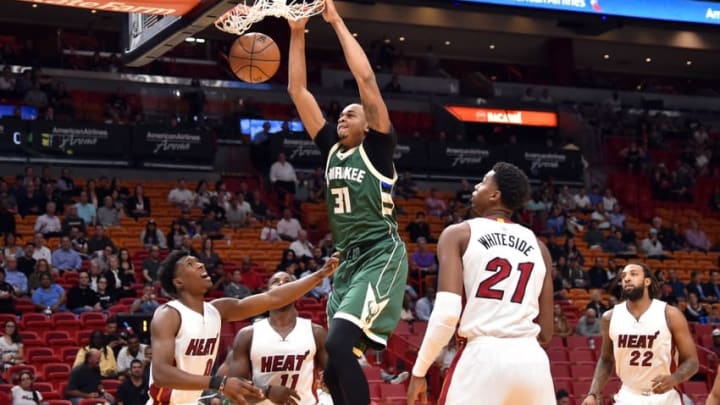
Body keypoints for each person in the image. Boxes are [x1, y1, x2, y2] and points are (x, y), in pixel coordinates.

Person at [287, 3, 409, 404]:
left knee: (338, 347)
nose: (343, 116)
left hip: (379, 254)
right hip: (346, 262)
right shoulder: (332, 151)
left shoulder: (377, 149)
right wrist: (297, 31)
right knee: (333, 363)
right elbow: (298, 91)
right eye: (340, 114)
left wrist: (334, 20)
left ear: (367, 124)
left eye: (351, 113)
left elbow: (366, 79)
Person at [406, 162, 555, 405]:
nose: (476, 186)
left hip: (482, 358)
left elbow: (446, 315)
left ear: (495, 195)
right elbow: (547, 332)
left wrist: (419, 371)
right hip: (533, 364)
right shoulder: (540, 247)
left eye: (483, 182)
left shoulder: (458, 234)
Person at [149, 249, 339, 405]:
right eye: (190, 264)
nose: (200, 264)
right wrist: (220, 383)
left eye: (198, 261)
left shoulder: (218, 310)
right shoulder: (168, 314)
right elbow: (161, 374)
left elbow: (273, 298)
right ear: (178, 282)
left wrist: (320, 275)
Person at [580, 263, 699, 405]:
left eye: (633, 274)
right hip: (628, 396)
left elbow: (692, 362)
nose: (627, 278)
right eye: (623, 276)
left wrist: (675, 378)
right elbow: (606, 360)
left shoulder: (670, 314)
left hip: (664, 397)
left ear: (647, 281)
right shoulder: (609, 317)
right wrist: (593, 393)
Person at [217, 271, 328, 405]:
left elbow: (335, 379)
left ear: (298, 290)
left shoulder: (316, 332)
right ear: (267, 292)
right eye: (276, 282)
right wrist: (267, 392)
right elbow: (235, 393)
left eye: (287, 282)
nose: (281, 283)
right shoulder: (247, 335)